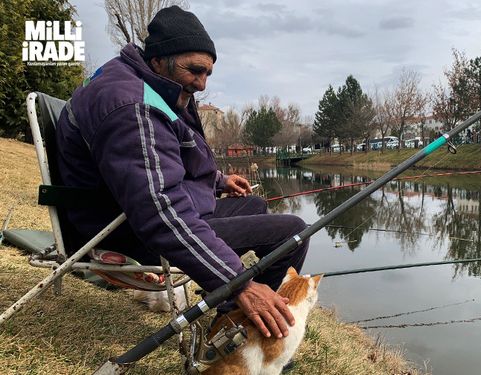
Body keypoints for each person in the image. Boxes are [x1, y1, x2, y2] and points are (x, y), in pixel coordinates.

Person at [55, 6, 309, 339]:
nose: (201, 84)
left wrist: (218, 181)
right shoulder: (133, 107)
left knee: (255, 205)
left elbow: (159, 162)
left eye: (207, 74)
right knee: (293, 233)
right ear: (159, 59)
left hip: (123, 209)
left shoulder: (142, 83)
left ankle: (225, 311)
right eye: (195, 70)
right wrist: (240, 283)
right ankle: (236, 323)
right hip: (123, 231)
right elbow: (160, 212)